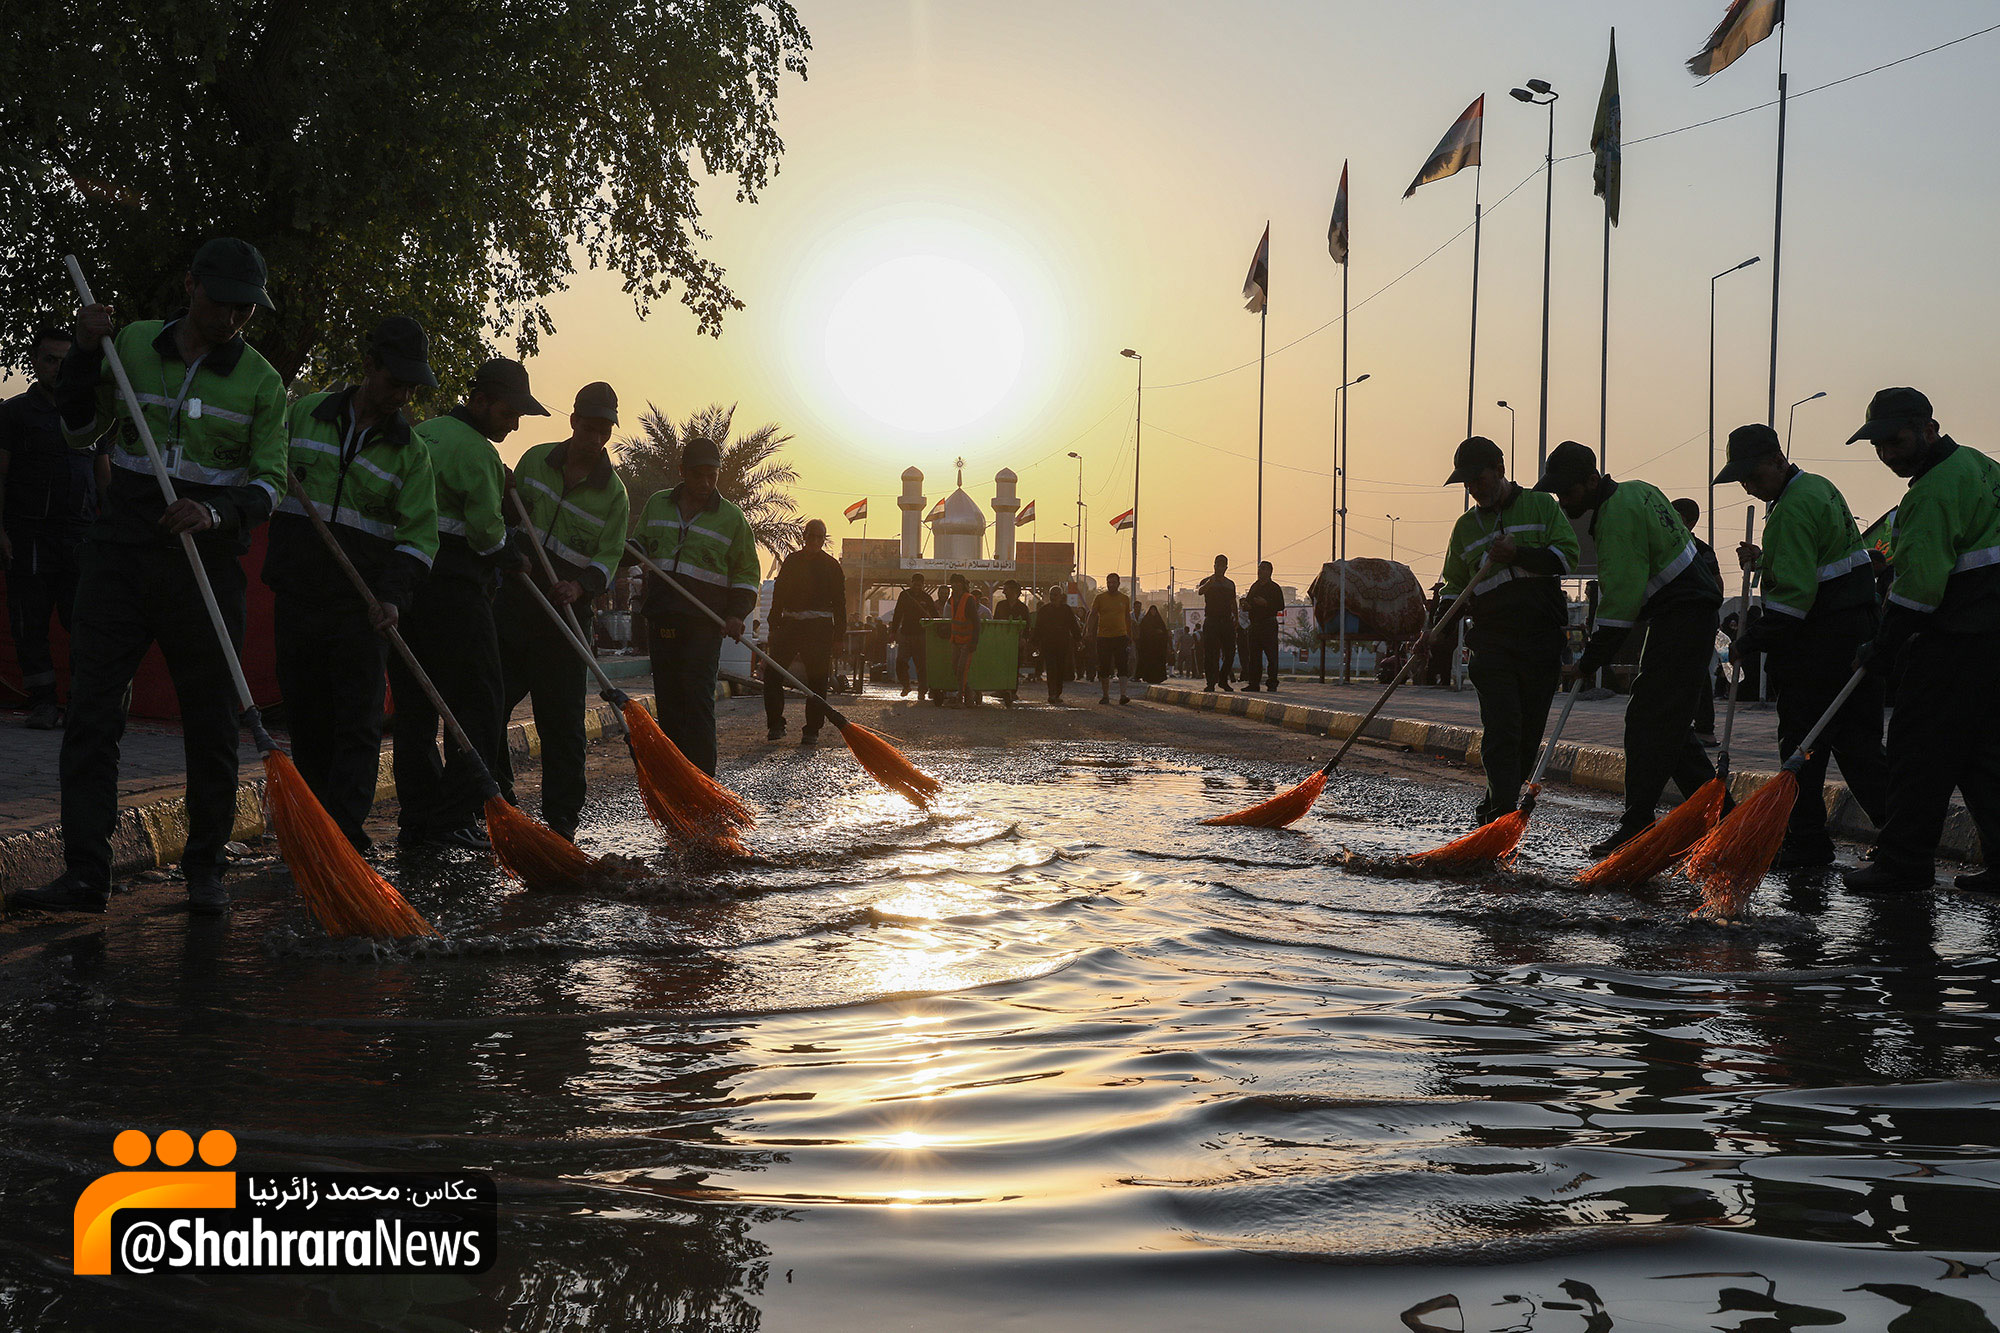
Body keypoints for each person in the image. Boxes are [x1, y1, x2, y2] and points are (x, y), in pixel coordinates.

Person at [15, 238, 288, 917]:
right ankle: (86, 873)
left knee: (212, 723)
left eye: (246, 310)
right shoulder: (132, 343)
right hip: (120, 550)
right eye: (223, 303)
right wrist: (85, 350)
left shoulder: (261, 381)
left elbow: (270, 482)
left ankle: (205, 870)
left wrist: (215, 512)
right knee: (93, 711)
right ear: (191, 286)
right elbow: (81, 430)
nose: (234, 318)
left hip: (204, 561)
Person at [262, 316, 440, 853]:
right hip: (297, 598)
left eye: (410, 387)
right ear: (368, 367)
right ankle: (316, 829)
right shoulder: (304, 415)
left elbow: (419, 540)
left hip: (362, 610)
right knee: (307, 720)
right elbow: (265, 471)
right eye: (395, 382)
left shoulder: (411, 452)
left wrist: (392, 597)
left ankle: (345, 836)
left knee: (359, 725)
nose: (402, 396)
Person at [1837, 390, 2000, 895]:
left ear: (1929, 429)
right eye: (1879, 446)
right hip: (1989, 639)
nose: (1888, 454)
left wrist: (1882, 648)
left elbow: (1918, 590)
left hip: (1957, 639)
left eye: (1896, 441)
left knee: (1917, 753)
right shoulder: (1980, 465)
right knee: (1982, 758)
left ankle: (1903, 865)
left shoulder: (1931, 492)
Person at [1714, 422, 1890, 870]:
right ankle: (1900, 837)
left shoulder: (1790, 510)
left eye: (1753, 476)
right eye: (1742, 481)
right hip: (1856, 630)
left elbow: (1792, 604)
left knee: (1802, 747)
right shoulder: (1817, 488)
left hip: (1818, 644)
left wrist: (1747, 643)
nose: (1749, 488)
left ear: (1778, 460)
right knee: (1860, 746)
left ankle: (1807, 842)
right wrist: (1765, 560)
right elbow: (1816, 562)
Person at [1538, 441, 1723, 858]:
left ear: (1591, 481)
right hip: (1685, 613)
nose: (1562, 500)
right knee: (1669, 726)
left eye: (1567, 491)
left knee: (1646, 719)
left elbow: (1619, 605)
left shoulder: (1615, 518)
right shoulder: (1639, 489)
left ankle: (1637, 823)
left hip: (1684, 615)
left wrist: (1589, 661)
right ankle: (1724, 816)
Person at [386, 358, 541, 851]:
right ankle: (455, 815)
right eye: (509, 413)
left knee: (415, 708)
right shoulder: (478, 453)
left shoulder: (422, 433)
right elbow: (486, 536)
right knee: (480, 702)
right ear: (479, 401)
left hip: (405, 585)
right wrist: (515, 557)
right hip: (455, 589)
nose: (514, 425)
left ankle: (418, 818)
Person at [494, 381, 630, 838]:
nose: (596, 439)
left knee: (563, 727)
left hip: (567, 621)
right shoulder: (535, 460)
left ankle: (562, 824)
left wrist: (580, 586)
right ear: (573, 422)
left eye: (604, 432)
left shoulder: (614, 494)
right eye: (589, 428)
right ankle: (499, 800)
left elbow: (608, 557)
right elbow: (509, 519)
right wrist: (505, 504)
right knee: (489, 706)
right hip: (515, 607)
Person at [1436, 436, 1581, 828]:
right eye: (1467, 482)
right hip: (1492, 641)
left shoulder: (1541, 506)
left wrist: (1518, 554)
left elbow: (1566, 557)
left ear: (1500, 469)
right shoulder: (1465, 529)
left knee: (1528, 735)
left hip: (1540, 639)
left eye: (1478, 478)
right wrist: (1435, 632)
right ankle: (1500, 815)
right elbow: (1453, 587)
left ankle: (1494, 809)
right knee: (1502, 728)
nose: (1473, 488)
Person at [634, 435, 762, 775]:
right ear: (682, 471)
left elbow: (747, 573)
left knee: (698, 702)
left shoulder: (732, 519)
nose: (705, 483)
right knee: (669, 702)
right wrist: (623, 549)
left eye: (712, 475)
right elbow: (641, 545)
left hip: (704, 624)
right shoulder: (658, 505)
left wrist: (736, 614)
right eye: (697, 475)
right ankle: (674, 778)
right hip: (662, 618)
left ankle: (703, 782)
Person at [2, 323, 105, 729]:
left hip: (80, 536)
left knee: (85, 622)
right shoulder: (13, 414)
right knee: (29, 623)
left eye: (66, 360)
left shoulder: (91, 413)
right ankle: (43, 702)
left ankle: (82, 704)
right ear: (35, 361)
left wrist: (112, 529)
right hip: (27, 536)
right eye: (49, 359)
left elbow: (105, 477)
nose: (58, 368)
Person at [763, 517, 845, 742]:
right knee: (772, 674)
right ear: (804, 537)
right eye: (812, 536)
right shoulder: (792, 561)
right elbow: (779, 594)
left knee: (817, 680)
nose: (815, 541)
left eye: (820, 537)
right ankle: (775, 724)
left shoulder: (832, 566)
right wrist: (773, 625)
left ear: (824, 539)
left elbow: (840, 603)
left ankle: (812, 729)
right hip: (790, 626)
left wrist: (839, 637)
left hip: (819, 629)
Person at [1672, 497, 1724, 745]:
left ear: (1690, 521)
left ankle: (1705, 728)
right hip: (1673, 617)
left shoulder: (1700, 550)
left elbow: (1716, 583)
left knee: (1697, 673)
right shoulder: (1668, 545)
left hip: (1698, 618)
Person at [1085, 571, 1135, 705]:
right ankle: (1105, 695)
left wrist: (1129, 635)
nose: (1111, 585)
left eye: (1113, 582)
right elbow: (1093, 615)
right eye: (1109, 582)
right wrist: (1089, 630)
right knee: (1104, 667)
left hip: (1120, 637)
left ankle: (1123, 695)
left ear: (1118, 584)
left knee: (1122, 666)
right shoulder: (1100, 598)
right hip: (1103, 637)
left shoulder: (1124, 599)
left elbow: (1127, 618)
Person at [1240, 559, 1284, 692]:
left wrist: (1266, 603)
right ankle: (1254, 683)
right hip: (1255, 625)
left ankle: (1272, 683)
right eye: (1259, 568)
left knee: (1271, 655)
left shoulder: (1274, 588)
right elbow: (1249, 603)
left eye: (1263, 568)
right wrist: (1246, 605)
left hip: (1268, 624)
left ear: (1270, 571)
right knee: (1254, 656)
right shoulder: (1255, 586)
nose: (1260, 571)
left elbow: (1280, 606)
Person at [1034, 582, 1080, 703]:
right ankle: (1052, 693)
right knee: (1051, 669)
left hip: (1062, 644)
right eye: (1051, 594)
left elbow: (1073, 626)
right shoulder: (1044, 610)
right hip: (1048, 644)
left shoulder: (1066, 610)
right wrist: (1034, 642)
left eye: (1055, 595)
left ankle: (1057, 693)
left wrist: (1078, 639)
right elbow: (1038, 627)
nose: (1053, 597)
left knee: (1060, 669)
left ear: (1060, 596)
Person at [891, 572, 934, 699]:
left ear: (923, 584)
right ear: (912, 583)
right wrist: (893, 631)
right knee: (900, 662)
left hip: (921, 635)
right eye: (915, 584)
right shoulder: (904, 595)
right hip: (905, 634)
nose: (917, 586)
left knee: (921, 665)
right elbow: (898, 614)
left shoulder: (927, 598)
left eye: (919, 584)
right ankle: (906, 685)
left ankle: (922, 690)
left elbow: (934, 614)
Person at [1198, 555, 1237, 692]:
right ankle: (1211, 682)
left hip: (1226, 621)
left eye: (1222, 565)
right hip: (1212, 620)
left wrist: (1236, 618)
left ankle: (1223, 680)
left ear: (1226, 567)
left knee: (1230, 652)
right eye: (1217, 565)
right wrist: (1210, 582)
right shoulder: (1207, 581)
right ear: (1214, 566)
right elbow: (1200, 591)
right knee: (1210, 653)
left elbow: (1233, 602)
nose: (1220, 568)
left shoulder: (1230, 584)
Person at [944, 572, 983, 706]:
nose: (955, 585)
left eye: (957, 582)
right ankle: (969, 693)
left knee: (961, 670)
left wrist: (974, 642)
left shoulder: (968, 599)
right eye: (953, 582)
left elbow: (976, 622)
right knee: (956, 668)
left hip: (967, 640)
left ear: (962, 584)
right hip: (956, 640)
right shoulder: (952, 599)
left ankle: (960, 699)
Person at [993, 579, 1031, 704]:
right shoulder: (1000, 605)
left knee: (1015, 666)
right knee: (1001, 664)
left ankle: (1012, 691)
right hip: (1002, 640)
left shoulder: (1023, 608)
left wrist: (1024, 639)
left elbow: (1027, 625)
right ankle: (1001, 689)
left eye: (1006, 589)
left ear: (1014, 591)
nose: (1004, 592)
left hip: (1016, 641)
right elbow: (995, 622)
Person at [1137, 604, 1172, 684]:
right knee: (1149, 663)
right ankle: (1148, 677)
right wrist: (1154, 632)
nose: (1153, 612)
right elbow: (1143, 632)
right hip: (1148, 647)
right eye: (1152, 610)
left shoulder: (1159, 621)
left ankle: (1158, 678)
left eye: (1154, 610)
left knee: (1157, 663)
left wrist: (1161, 633)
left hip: (1158, 648)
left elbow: (1164, 632)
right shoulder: (1145, 620)